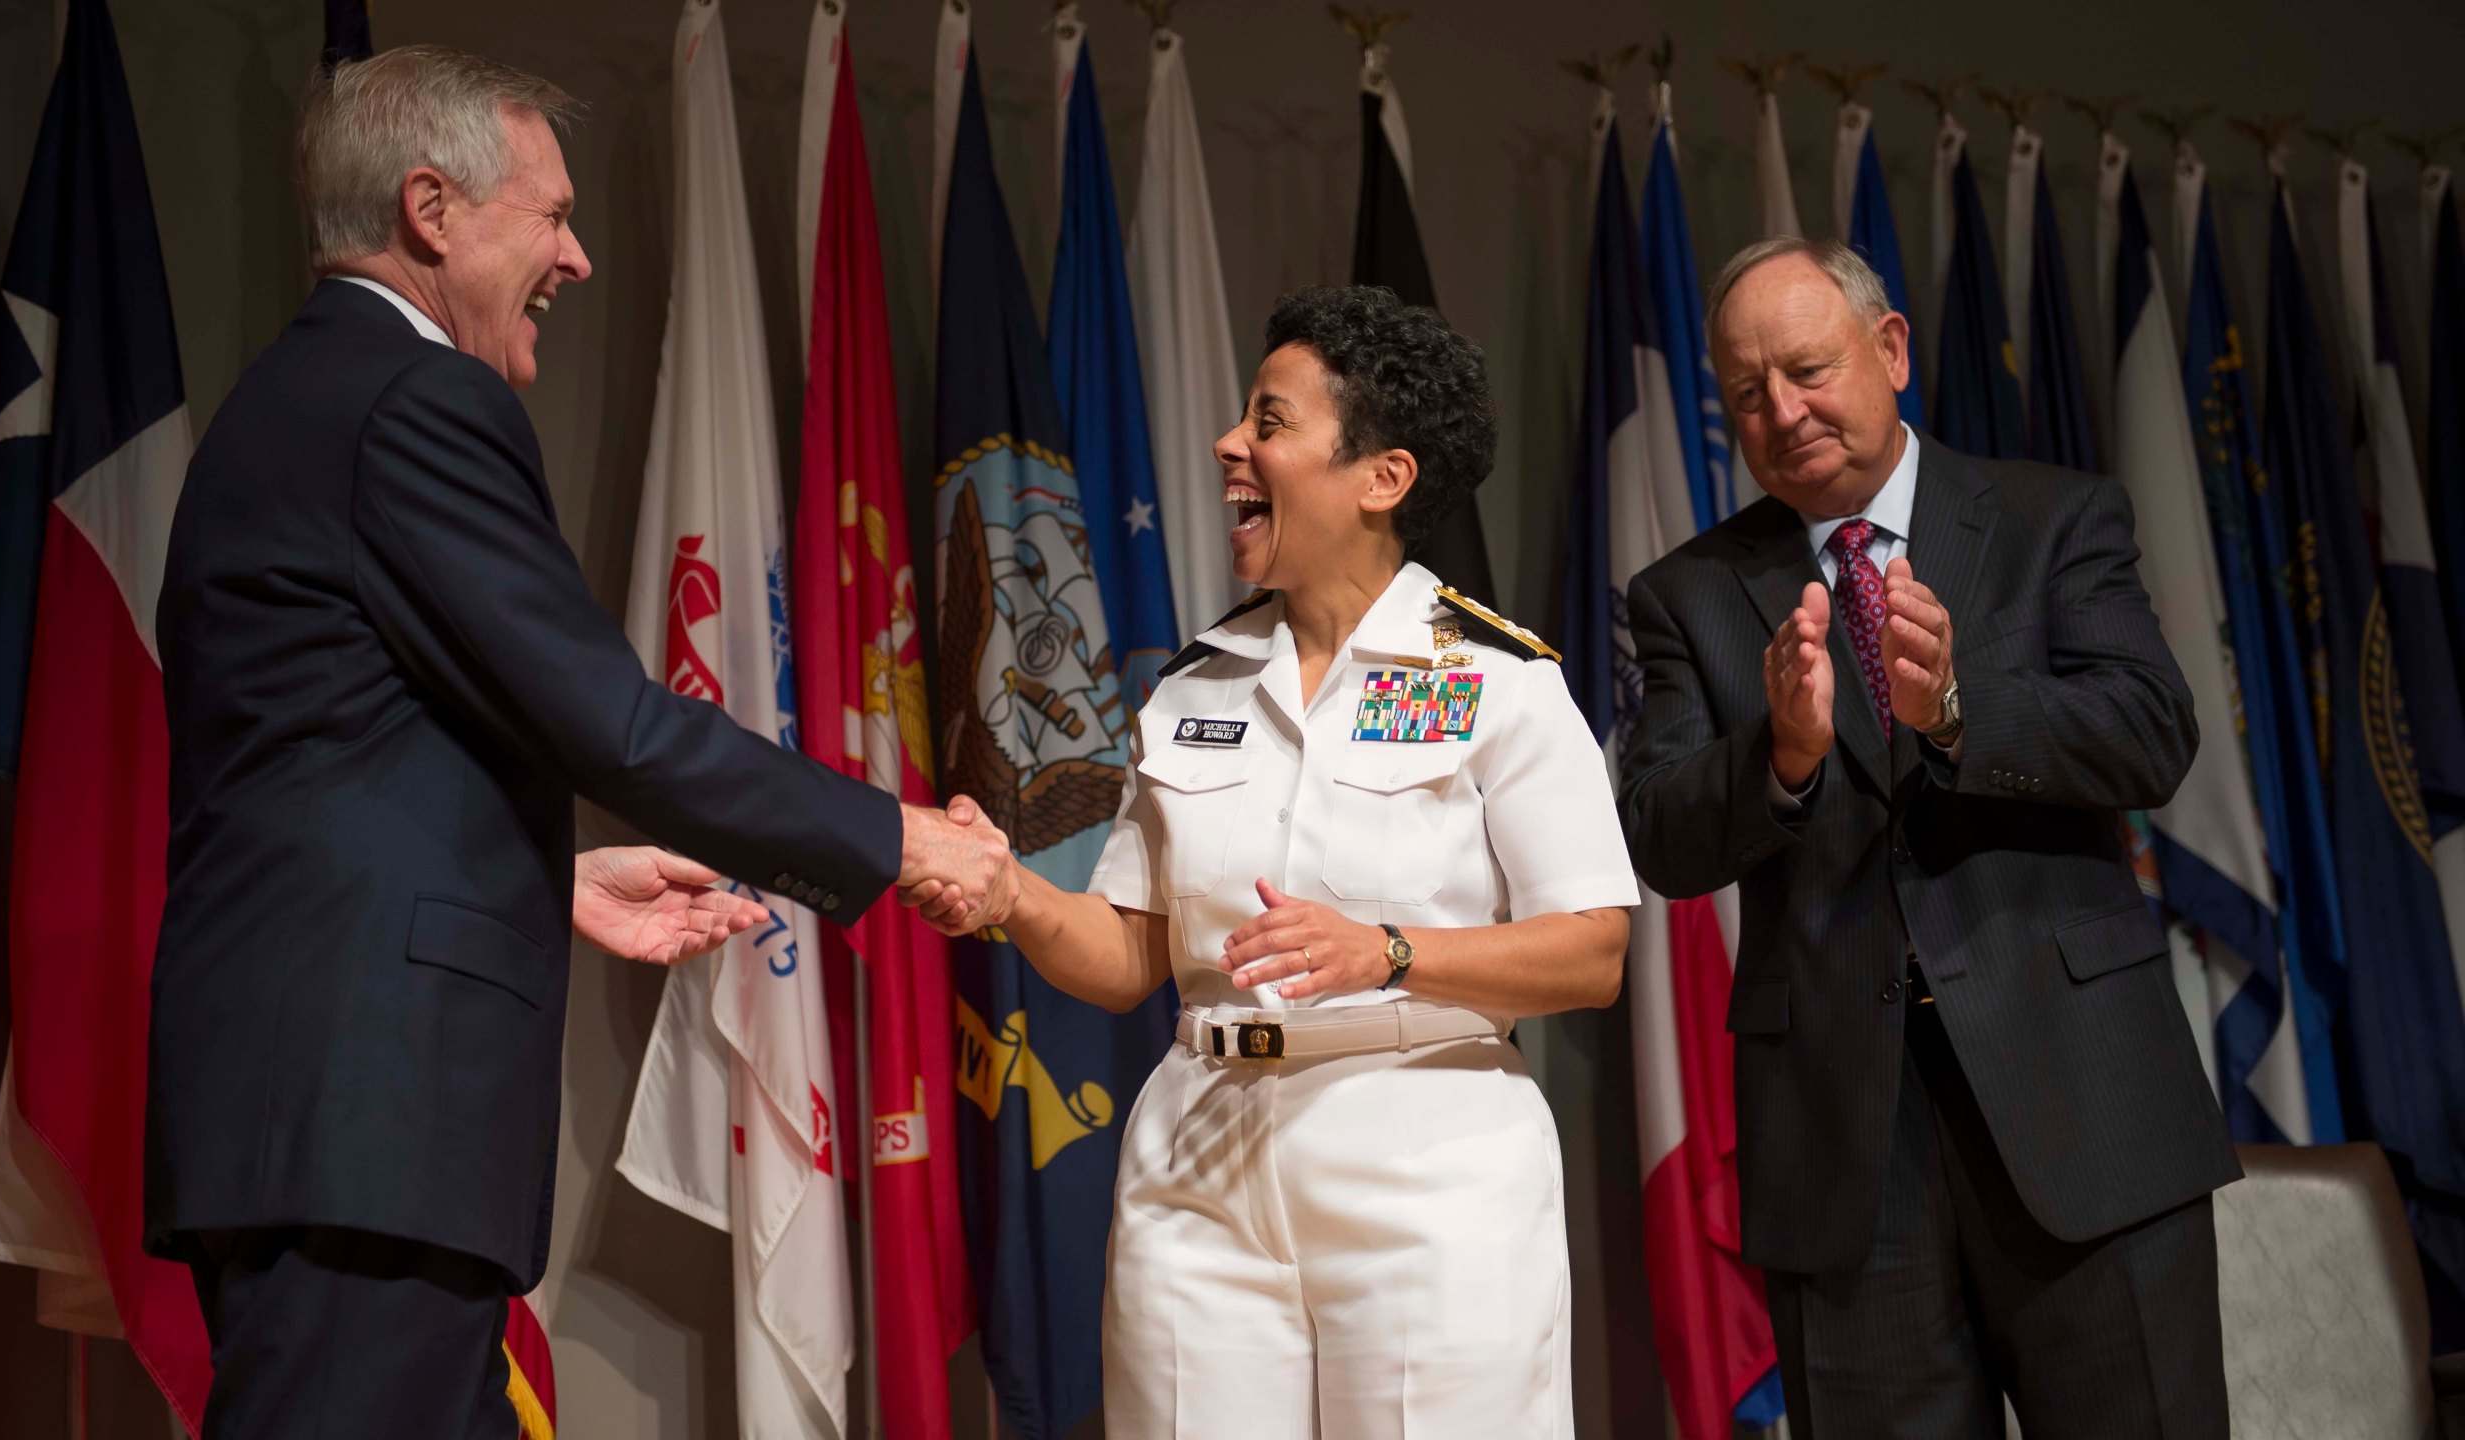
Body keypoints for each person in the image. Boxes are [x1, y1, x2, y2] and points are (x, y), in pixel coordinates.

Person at [146, 47, 1004, 1438]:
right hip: (360, 1126)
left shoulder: (304, 403)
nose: (581, 256)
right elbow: (612, 722)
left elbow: (319, 759)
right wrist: (895, 837)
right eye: (551, 215)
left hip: (335, 1121)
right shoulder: (410, 400)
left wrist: (541, 879)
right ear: (432, 208)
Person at [931, 286, 1635, 1437]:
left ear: (1381, 477)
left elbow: (1593, 951)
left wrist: (1388, 952)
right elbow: (1129, 956)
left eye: (1270, 420)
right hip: (1198, 1162)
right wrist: (1009, 893)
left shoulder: (1500, 678)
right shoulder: (1193, 687)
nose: (1229, 444)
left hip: (1426, 1160)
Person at [1618, 237, 2239, 1439]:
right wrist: (1782, 757)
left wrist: (1957, 709)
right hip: (1845, 1159)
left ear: (1889, 349)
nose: (1782, 411)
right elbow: (1659, 836)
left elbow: (2151, 735)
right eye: (1748, 394)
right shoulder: (1684, 593)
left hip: (2086, 1115)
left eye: (1806, 370)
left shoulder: (2053, 517)